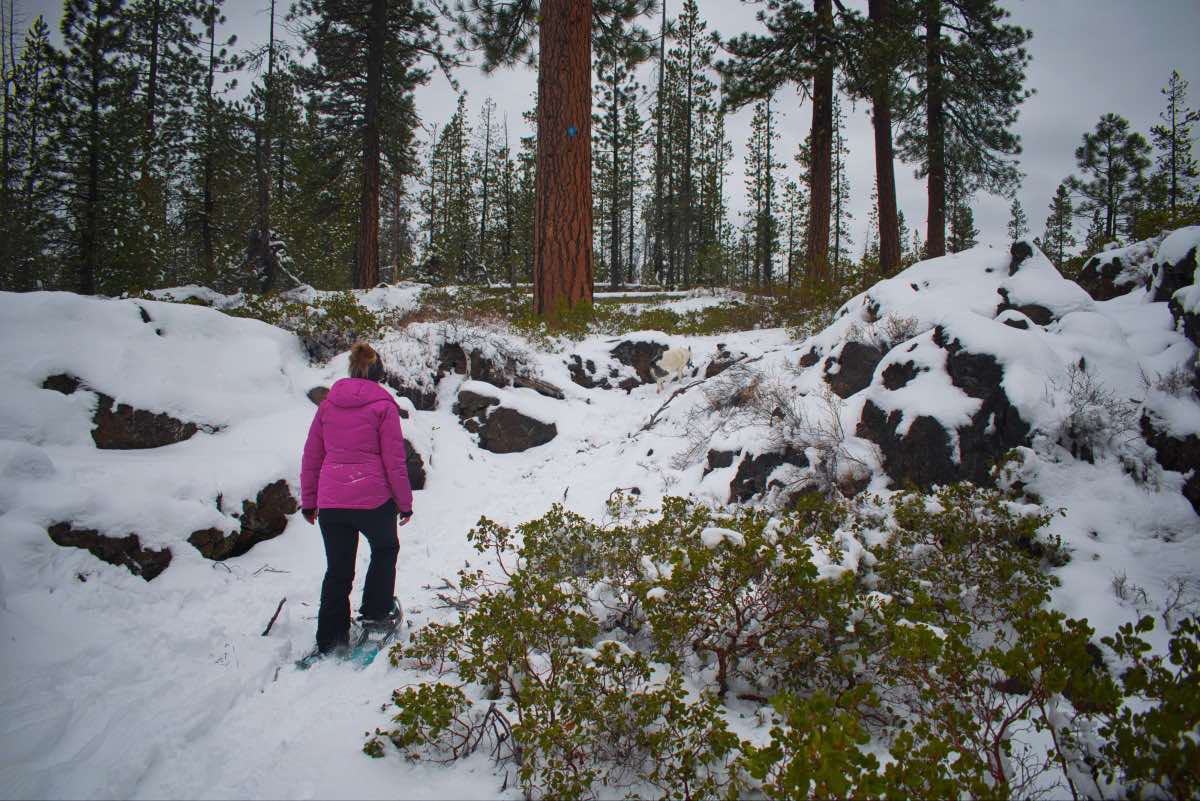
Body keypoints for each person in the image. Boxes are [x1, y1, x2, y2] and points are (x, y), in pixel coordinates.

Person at [300, 342, 413, 655]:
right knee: (385, 548)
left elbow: (312, 456)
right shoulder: (383, 406)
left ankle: (330, 637)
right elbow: (394, 460)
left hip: (332, 502)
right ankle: (376, 613)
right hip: (373, 499)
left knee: (338, 570)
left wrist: (310, 501)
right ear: (378, 373)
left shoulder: (327, 405)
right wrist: (404, 503)